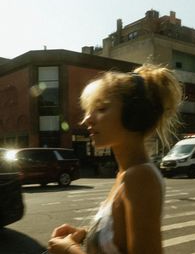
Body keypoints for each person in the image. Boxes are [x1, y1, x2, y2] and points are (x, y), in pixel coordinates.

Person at [47, 64, 182, 254]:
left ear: (132, 114)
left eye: (101, 109)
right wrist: (86, 236)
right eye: (89, 110)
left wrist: (70, 249)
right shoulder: (125, 174)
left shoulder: (140, 177)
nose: (87, 120)